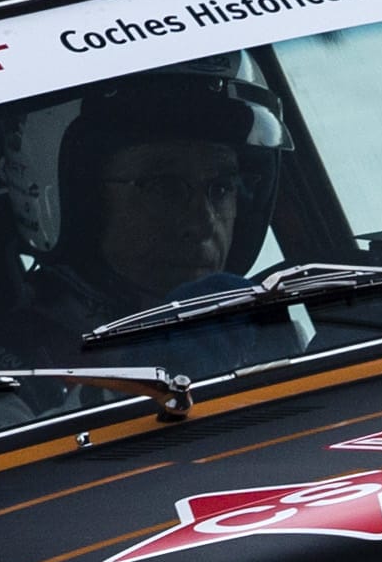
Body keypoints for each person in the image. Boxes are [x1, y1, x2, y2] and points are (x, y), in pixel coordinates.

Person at [17, 72, 276, 369]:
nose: (202, 224)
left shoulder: (257, 336)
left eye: (221, 188)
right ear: (81, 198)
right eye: (164, 187)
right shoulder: (4, 366)